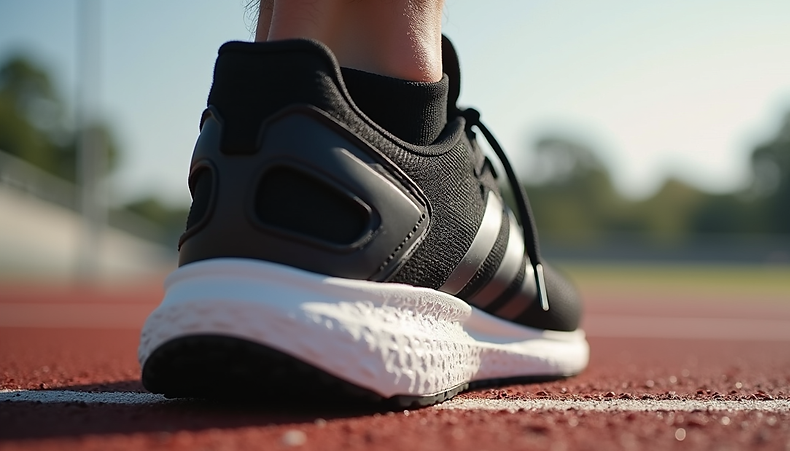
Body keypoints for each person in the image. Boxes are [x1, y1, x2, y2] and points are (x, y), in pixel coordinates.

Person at [137, 0, 589, 407]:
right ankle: (411, 138)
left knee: (295, 33)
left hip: (226, 203)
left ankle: (289, 122)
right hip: (380, 207)